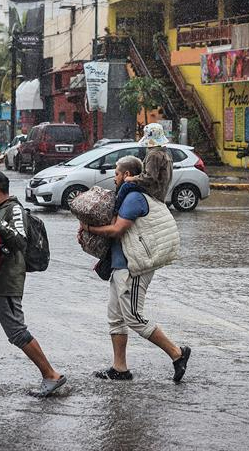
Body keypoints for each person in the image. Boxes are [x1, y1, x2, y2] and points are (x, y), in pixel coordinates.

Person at [81, 156, 191, 382]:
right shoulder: (127, 196)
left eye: (117, 173)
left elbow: (117, 230)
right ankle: (119, 368)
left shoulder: (133, 197)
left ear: (127, 175)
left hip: (133, 268)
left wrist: (90, 228)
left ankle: (177, 354)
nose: (114, 177)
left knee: (133, 317)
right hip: (119, 266)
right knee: (116, 317)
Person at [0, 170, 66, 397]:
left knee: (17, 333)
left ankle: (51, 375)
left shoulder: (14, 209)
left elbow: (20, 240)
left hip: (6, 284)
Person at [124, 122, 173, 203]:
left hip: (153, 193)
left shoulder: (154, 155)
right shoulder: (166, 152)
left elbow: (149, 177)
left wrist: (132, 178)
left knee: (126, 186)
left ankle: (115, 212)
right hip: (161, 192)